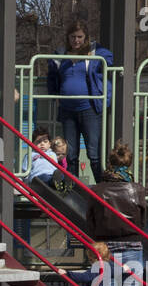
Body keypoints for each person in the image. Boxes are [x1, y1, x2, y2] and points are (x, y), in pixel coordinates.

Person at [89, 140, 148, 286]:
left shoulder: (97, 190)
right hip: (133, 250)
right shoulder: (137, 189)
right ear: (129, 164)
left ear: (109, 163)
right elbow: (142, 223)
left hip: (106, 251)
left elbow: (91, 222)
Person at [46, 21, 114, 184]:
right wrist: (54, 94)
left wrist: (94, 51)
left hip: (89, 108)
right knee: (71, 153)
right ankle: (73, 189)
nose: (76, 40)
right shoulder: (62, 53)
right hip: (68, 109)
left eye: (80, 37)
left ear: (86, 37)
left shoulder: (94, 52)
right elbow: (51, 74)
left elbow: (109, 59)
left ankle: (101, 187)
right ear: (67, 38)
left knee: (93, 153)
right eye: (73, 37)